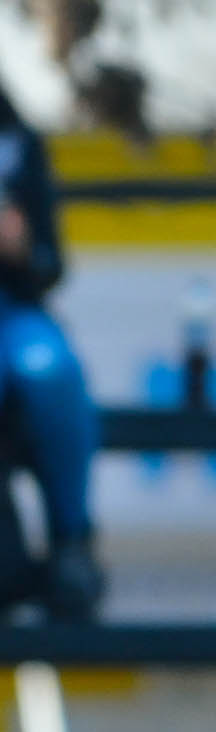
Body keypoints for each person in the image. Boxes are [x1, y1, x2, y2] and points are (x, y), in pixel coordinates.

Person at [0, 81, 102, 620]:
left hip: (12, 308)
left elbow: (50, 264)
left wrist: (22, 247)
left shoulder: (18, 141)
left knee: (52, 373)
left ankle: (71, 546)